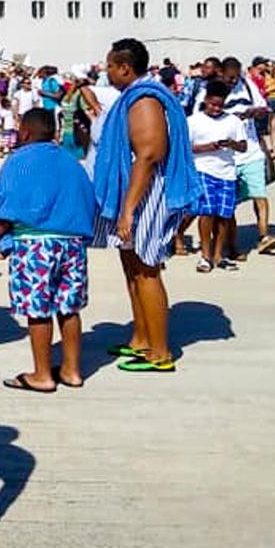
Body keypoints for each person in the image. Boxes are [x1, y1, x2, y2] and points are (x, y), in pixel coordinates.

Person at [92, 38, 202, 373]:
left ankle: (160, 352)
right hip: (134, 194)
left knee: (147, 270)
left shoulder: (145, 100)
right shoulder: (133, 97)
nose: (106, 70)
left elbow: (149, 153)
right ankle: (141, 338)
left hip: (146, 197)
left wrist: (128, 209)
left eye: (110, 65)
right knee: (132, 268)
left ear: (125, 68)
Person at [0, 109, 95, 392]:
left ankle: (42, 375)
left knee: (38, 310)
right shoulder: (72, 162)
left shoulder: (18, 161)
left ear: (24, 133)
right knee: (69, 308)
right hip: (72, 244)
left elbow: (6, 205)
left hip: (35, 245)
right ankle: (71, 370)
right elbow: (88, 200)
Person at [217, 57, 275, 256]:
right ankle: (231, 243)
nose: (233, 82)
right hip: (227, 157)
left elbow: (264, 109)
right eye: (229, 78)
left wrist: (254, 112)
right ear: (222, 74)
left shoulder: (247, 85)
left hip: (251, 152)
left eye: (236, 78)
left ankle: (264, 236)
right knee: (230, 203)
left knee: (259, 194)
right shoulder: (213, 90)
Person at [187, 80, 247, 272]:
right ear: (205, 100)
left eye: (220, 105)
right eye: (212, 104)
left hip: (227, 172)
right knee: (207, 212)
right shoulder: (193, 121)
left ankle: (218, 254)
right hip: (203, 170)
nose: (216, 108)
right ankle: (205, 255)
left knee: (223, 214)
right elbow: (185, 148)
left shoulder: (233, 121)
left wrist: (231, 144)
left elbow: (243, 146)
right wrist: (208, 147)